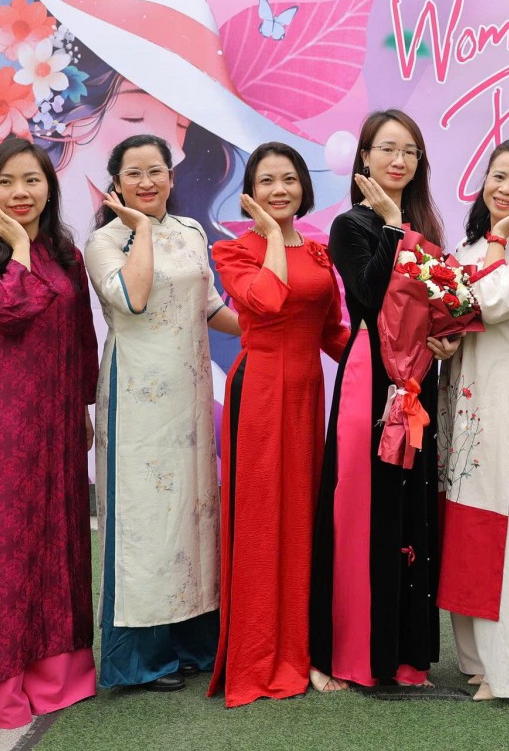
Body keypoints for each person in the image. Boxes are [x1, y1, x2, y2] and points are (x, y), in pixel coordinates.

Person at [0, 135, 97, 730]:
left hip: (58, 420)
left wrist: (83, 405)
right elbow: (5, 312)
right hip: (0, 425)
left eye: (32, 180)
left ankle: (57, 678)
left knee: (58, 543)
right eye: (6, 182)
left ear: (49, 188)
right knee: (1, 550)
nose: (20, 192)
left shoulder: (66, 252)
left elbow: (81, 335)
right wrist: (20, 251)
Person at [84, 134, 242, 692]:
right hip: (137, 402)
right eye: (134, 173)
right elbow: (133, 298)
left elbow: (209, 307)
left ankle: (192, 643)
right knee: (145, 520)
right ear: (116, 183)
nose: (146, 182)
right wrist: (142, 231)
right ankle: (139, 660)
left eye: (156, 170)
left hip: (189, 400)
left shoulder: (192, 231)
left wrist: (271, 325)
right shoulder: (104, 242)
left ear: (172, 178)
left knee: (193, 516)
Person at [310, 110, 457, 692]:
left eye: (410, 151)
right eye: (388, 149)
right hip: (370, 373)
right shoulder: (350, 225)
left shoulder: (427, 226)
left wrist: (448, 336)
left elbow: (436, 304)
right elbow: (369, 297)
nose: (399, 160)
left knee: (410, 505)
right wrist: (394, 230)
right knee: (361, 503)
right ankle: (350, 654)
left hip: (418, 376)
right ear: (365, 158)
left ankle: (405, 657)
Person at [208, 142, 349, 707]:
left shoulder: (319, 252)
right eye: (266, 181)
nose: (279, 190)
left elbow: (332, 331)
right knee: (263, 520)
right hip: (261, 390)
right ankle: (260, 655)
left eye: (289, 179)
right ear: (250, 192)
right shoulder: (233, 250)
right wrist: (268, 235)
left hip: (308, 394)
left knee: (305, 517)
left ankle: (304, 650)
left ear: (304, 187)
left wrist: (390, 361)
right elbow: (265, 301)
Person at [437, 138, 509, 702]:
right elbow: (452, 313)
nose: (505, 189)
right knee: (465, 519)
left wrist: (499, 240)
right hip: (462, 390)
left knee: (501, 522)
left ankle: (507, 669)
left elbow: (490, 303)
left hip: (504, 396)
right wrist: (438, 338)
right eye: (498, 176)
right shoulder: (466, 247)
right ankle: (474, 659)